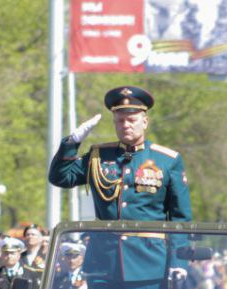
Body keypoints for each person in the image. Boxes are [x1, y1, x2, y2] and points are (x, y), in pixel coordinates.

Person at [48, 85, 192, 223]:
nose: (125, 125)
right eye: (120, 120)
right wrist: (72, 143)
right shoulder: (98, 157)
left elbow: (180, 216)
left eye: (131, 120)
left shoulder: (167, 160)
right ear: (114, 123)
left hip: (148, 247)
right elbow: (60, 177)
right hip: (106, 246)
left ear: (145, 122)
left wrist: (178, 249)